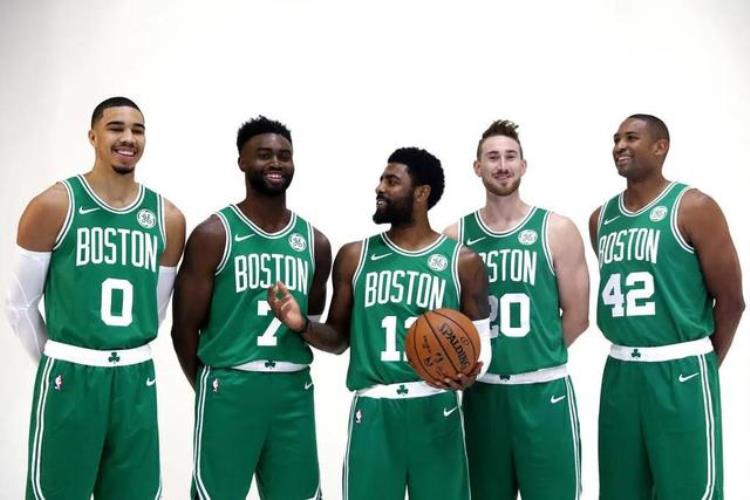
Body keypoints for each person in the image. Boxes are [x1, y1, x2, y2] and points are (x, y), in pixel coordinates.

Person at [267, 146, 492, 500]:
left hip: (437, 406)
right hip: (374, 408)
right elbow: (338, 339)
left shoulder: (462, 261)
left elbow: (481, 345)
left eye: (391, 181)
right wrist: (302, 326)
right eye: (381, 180)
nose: (380, 188)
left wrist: (471, 372)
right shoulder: (355, 256)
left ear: (421, 193)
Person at [5, 96, 186, 499]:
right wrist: (58, 359)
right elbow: (18, 305)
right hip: (70, 374)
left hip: (136, 377)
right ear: (92, 136)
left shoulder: (168, 218)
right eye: (116, 128)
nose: (128, 138)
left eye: (138, 130)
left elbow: (154, 310)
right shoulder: (54, 205)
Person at [171, 116, 330, 500]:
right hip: (230, 385)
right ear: (242, 161)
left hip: (292, 388)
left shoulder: (315, 242)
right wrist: (210, 386)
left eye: (284, 155)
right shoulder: (214, 234)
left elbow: (310, 325)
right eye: (264, 155)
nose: (276, 163)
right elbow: (183, 328)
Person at [590, 114, 744, 499]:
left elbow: (732, 300)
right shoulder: (600, 218)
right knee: (621, 490)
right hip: (621, 369)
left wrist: (702, 362)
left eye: (631, 138)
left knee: (688, 490)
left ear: (661, 147)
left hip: (681, 367)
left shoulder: (694, 207)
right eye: (616, 139)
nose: (620, 146)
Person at [445, 119, 589, 499]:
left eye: (510, 157)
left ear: (523, 165)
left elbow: (578, 317)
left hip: (544, 391)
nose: (502, 165)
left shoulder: (556, 229)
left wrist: (535, 353)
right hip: (484, 394)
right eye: (493, 157)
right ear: (477, 167)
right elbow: (449, 321)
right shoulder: (456, 237)